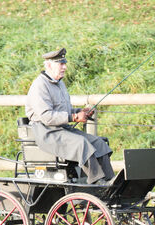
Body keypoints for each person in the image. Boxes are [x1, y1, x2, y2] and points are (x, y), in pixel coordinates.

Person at [25, 48, 115, 185]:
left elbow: (63, 110)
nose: (65, 67)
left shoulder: (59, 83)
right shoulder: (40, 86)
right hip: (47, 132)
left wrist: (80, 111)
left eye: (64, 63)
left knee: (99, 143)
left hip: (62, 129)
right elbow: (46, 116)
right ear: (49, 65)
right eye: (61, 64)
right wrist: (74, 117)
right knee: (81, 143)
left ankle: (110, 180)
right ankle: (97, 182)